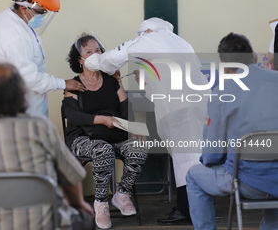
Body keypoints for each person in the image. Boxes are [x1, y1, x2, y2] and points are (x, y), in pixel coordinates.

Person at [0, 63, 94, 230]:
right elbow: (71, 177)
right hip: (41, 225)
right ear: (20, 95)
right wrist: (80, 205)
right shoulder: (41, 128)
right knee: (85, 218)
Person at [85, 17, 210, 224]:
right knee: (192, 157)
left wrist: (93, 61)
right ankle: (189, 207)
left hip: (178, 110)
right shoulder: (181, 42)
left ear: (147, 31)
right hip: (199, 106)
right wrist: (144, 77)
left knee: (185, 160)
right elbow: (167, 76)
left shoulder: (149, 38)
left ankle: (188, 211)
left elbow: (111, 59)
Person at [186, 33, 278, 230]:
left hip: (246, 182)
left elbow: (212, 153)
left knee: (193, 175)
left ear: (225, 66)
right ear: (253, 56)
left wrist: (212, 161)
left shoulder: (222, 92)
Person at [61, 33, 148, 229]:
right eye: (89, 52)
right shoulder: (74, 84)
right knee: (103, 150)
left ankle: (122, 194)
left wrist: (121, 85)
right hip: (82, 138)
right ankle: (101, 203)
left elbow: (126, 112)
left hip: (113, 135)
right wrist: (101, 119)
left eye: (99, 50)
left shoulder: (111, 80)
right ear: (79, 59)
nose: (95, 55)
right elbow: (73, 116)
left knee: (139, 147)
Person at [0, 0, 85, 117]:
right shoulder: (15, 35)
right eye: (40, 12)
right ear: (23, 8)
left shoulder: (7, 18)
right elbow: (30, 78)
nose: (42, 16)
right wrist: (63, 83)